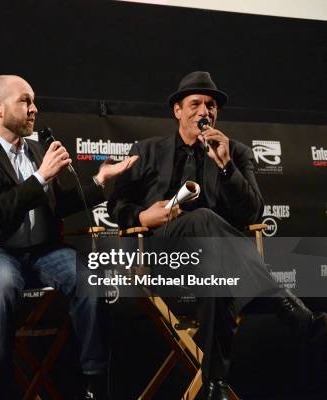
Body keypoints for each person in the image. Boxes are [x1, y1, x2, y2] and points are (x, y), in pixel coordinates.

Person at [107, 71, 326, 400]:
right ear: (177, 110)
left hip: (218, 264)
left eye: (211, 105)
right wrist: (142, 215)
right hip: (163, 256)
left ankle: (214, 386)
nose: (204, 111)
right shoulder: (147, 151)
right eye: (195, 103)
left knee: (216, 274)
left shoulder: (235, 153)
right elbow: (115, 205)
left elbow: (253, 214)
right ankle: (280, 299)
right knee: (205, 221)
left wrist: (226, 168)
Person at [0, 75, 138, 399]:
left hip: (44, 251)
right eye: (25, 101)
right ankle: (0, 387)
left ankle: (95, 382)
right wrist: (41, 177)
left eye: (34, 100)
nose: (34, 109)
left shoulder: (37, 150)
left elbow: (56, 206)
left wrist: (99, 179)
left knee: (88, 279)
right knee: (3, 285)